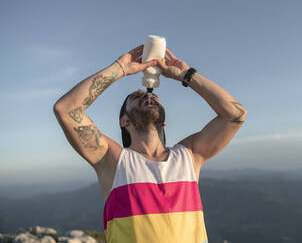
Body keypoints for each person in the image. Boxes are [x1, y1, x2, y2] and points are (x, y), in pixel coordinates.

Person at [53, 44, 247, 243]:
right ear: (124, 121)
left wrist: (186, 75)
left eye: (154, 97)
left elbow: (235, 115)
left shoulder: (189, 155)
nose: (148, 95)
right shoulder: (113, 161)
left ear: (163, 120)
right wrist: (119, 69)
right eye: (137, 97)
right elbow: (66, 110)